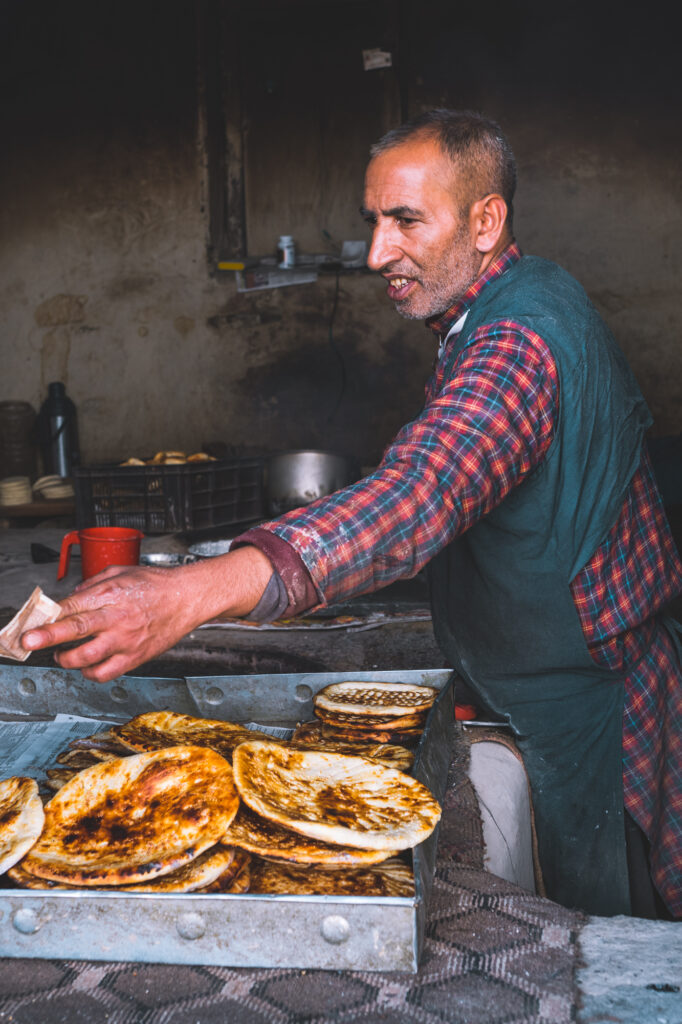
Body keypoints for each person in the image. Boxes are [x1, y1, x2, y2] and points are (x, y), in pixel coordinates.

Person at [22, 110, 681, 920]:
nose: (377, 254)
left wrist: (188, 593)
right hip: (538, 682)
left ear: (486, 221)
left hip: (583, 712)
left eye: (406, 221)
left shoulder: (519, 340)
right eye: (374, 221)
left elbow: (420, 494)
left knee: (604, 941)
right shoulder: (517, 298)